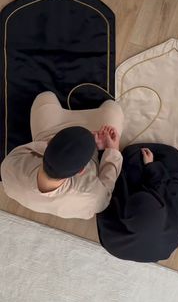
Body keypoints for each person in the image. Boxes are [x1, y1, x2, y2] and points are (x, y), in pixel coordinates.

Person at [1, 91, 124, 219]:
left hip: (50, 135)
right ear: (81, 170)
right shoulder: (92, 197)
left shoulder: (9, 169)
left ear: (48, 145)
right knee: (112, 106)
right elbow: (107, 186)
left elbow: (28, 148)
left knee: (45, 96)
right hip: (72, 138)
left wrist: (56, 141)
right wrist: (112, 149)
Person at [97, 143, 178, 263]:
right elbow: (162, 190)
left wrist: (106, 152)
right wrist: (151, 166)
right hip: (161, 247)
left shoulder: (110, 232)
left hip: (119, 245)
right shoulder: (172, 234)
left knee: (127, 164)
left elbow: (107, 187)